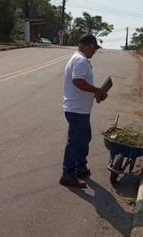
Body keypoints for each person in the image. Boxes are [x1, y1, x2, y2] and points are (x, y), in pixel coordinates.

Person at [60, 34, 108, 188]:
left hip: (80, 109)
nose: (94, 52)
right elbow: (78, 81)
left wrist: (97, 93)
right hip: (77, 110)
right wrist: (97, 90)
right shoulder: (80, 60)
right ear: (87, 45)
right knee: (75, 141)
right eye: (94, 49)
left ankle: (81, 166)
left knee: (84, 137)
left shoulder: (80, 59)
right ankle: (67, 174)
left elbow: (81, 83)